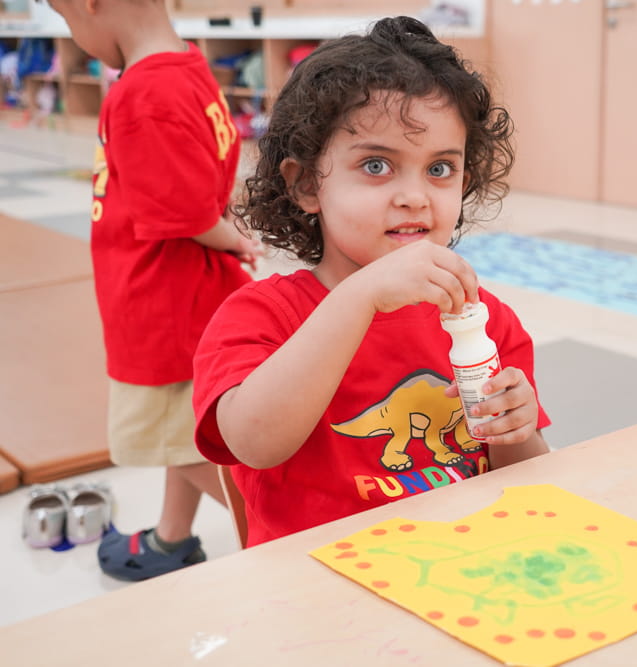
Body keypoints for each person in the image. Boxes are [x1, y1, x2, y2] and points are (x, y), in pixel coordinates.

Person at [193, 16, 551, 547]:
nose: (415, 196)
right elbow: (254, 443)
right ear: (307, 184)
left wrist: (517, 431)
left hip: (461, 562)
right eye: (378, 166)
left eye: (439, 169)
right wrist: (359, 296)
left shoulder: (484, 317)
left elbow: (528, 483)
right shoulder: (262, 316)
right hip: (319, 584)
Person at [46, 0, 261, 579]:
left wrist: (228, 239)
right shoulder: (188, 68)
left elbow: (186, 213)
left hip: (163, 305)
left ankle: (275, 530)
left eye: (69, 23)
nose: (77, 37)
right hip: (188, 294)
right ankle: (172, 537)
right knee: (183, 434)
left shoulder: (143, 93)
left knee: (181, 443)